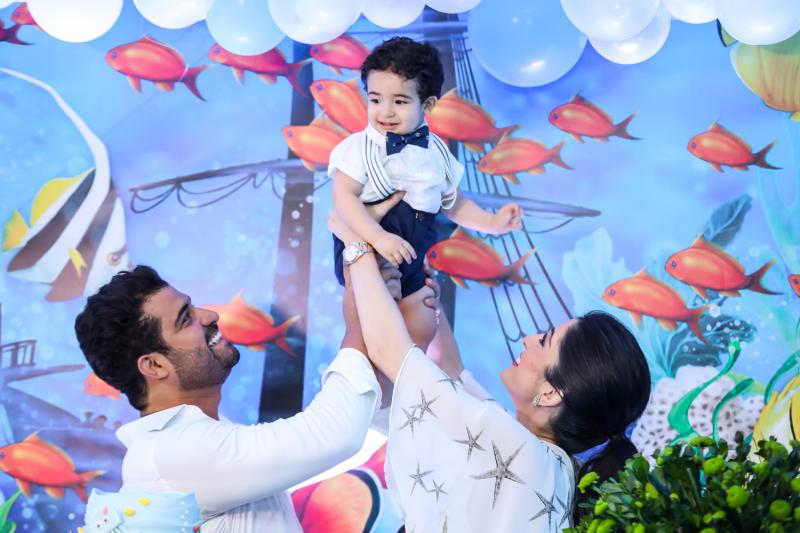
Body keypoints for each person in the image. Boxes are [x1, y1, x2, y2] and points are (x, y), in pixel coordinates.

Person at [329, 213, 652, 531]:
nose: (528, 339)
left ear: (551, 393)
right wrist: (427, 297)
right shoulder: (554, 467)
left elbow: (388, 349)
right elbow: (453, 371)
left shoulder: (513, 445)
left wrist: (357, 246)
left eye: (543, 340)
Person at [73, 262, 402, 532]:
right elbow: (333, 434)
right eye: (186, 318)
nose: (209, 316)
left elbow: (345, 420)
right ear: (155, 366)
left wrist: (380, 318)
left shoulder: (185, 440)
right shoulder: (175, 453)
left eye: (193, 306)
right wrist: (359, 315)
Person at [329, 36, 522, 349]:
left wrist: (491, 223)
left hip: (413, 256)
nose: (385, 111)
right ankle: (367, 366)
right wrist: (379, 237)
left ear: (428, 105)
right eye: (375, 100)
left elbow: (454, 204)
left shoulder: (438, 153)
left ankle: (408, 374)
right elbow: (343, 199)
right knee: (374, 326)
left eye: (399, 102)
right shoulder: (359, 148)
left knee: (423, 321)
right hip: (369, 249)